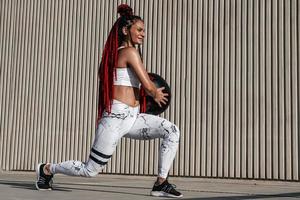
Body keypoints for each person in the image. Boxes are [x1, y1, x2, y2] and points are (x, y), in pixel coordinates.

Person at [35, 4, 182, 198]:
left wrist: (150, 94)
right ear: (125, 30)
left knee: (171, 131)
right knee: (90, 170)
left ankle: (161, 183)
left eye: (144, 30)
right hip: (114, 120)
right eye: (139, 29)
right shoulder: (129, 53)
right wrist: (157, 94)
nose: (143, 34)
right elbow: (148, 86)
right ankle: (47, 169)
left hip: (132, 117)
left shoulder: (118, 54)